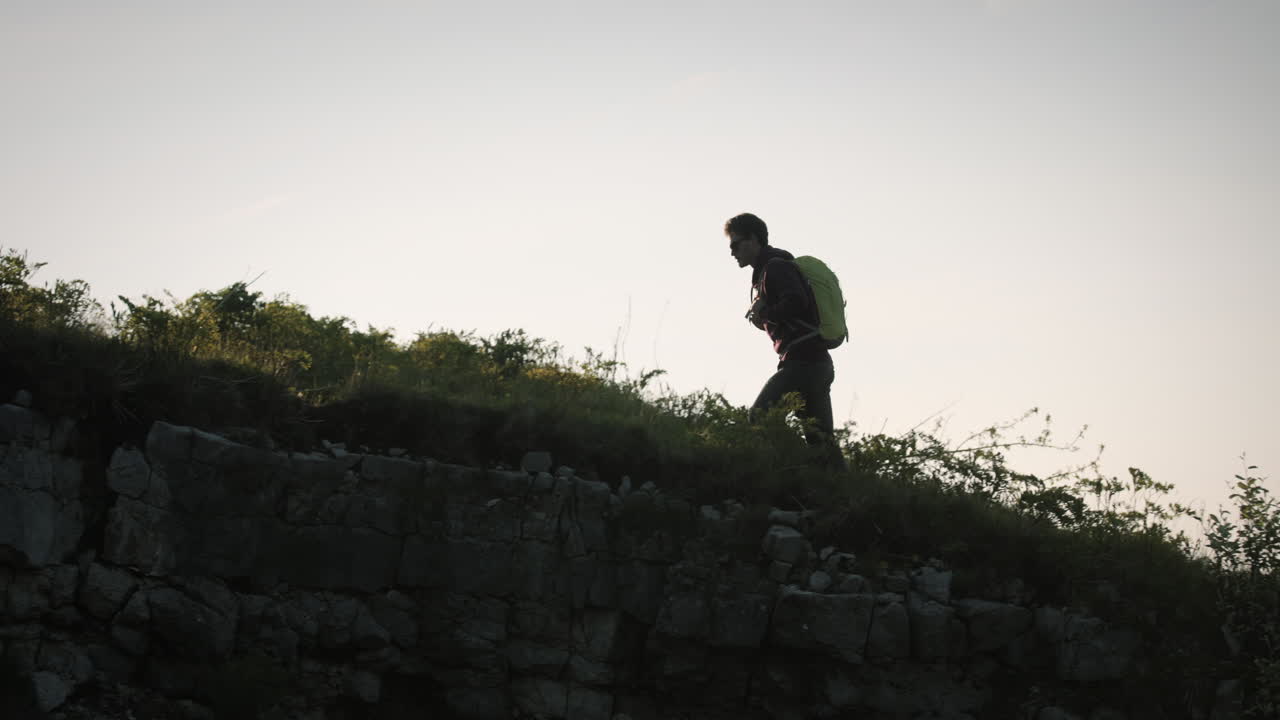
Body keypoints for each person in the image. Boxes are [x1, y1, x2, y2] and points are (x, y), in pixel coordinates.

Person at [726, 212, 845, 469]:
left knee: (761, 417)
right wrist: (764, 319)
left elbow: (796, 302)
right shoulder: (770, 270)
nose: (732, 252)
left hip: (803, 363)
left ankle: (796, 468)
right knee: (822, 443)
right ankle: (841, 486)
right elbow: (795, 312)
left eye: (736, 244)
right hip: (817, 364)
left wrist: (766, 312)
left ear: (753, 239)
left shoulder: (775, 268)